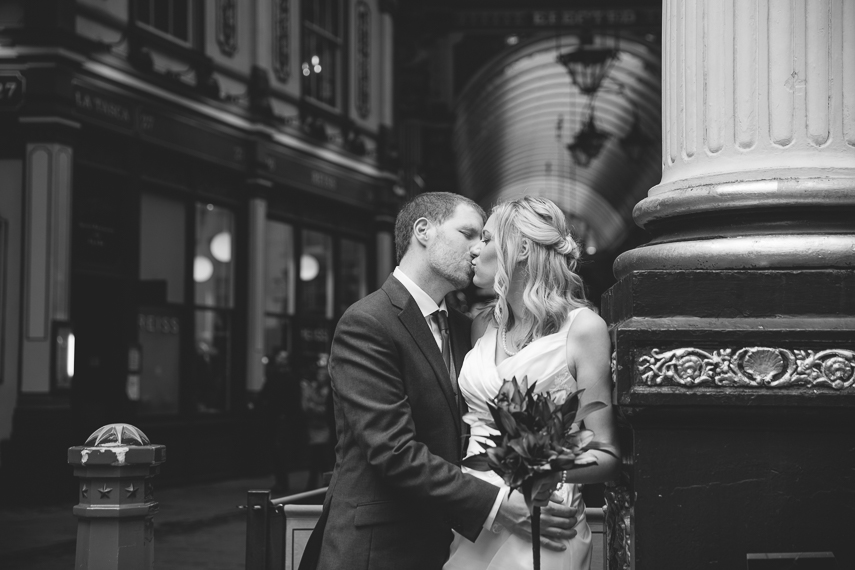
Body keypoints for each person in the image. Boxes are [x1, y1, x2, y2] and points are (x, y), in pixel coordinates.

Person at [299, 192, 577, 570]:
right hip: (379, 546)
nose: (479, 248)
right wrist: (499, 505)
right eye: (469, 233)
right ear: (423, 231)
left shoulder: (472, 328)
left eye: (486, 238)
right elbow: (393, 451)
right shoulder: (367, 322)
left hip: (456, 544)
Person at [444, 196, 620, 570]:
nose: (475, 250)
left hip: (544, 517)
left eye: (487, 239)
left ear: (521, 248)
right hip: (478, 517)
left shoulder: (584, 329)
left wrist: (541, 472)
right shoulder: (483, 325)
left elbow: (606, 454)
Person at [258, 349, 307, 495]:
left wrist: (288, 416)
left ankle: (282, 481)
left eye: (283, 358)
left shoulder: (290, 378)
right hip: (273, 418)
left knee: (281, 450)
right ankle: (280, 480)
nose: (281, 360)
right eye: (279, 357)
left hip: (283, 419)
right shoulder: (273, 376)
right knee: (275, 450)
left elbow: (293, 400)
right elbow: (266, 393)